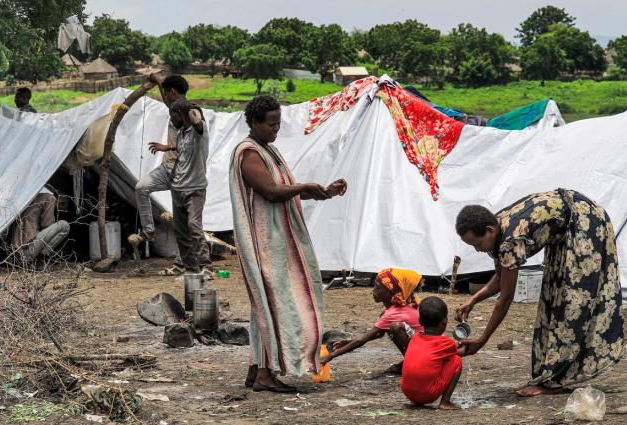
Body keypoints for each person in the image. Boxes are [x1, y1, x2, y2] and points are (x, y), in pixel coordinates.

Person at [454, 189, 624, 397]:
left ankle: (555, 380)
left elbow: (505, 298)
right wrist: (473, 300)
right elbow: (500, 278)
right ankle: (546, 375)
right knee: (552, 298)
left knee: (569, 303)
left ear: (489, 230)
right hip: (566, 230)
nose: (477, 250)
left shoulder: (510, 240)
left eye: (477, 244)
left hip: (585, 223)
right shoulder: (497, 227)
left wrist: (482, 340)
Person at [230, 95, 347, 393]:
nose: (276, 129)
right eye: (271, 124)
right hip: (264, 241)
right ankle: (265, 374)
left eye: (278, 124)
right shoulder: (249, 153)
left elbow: (285, 189)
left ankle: (257, 369)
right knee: (273, 303)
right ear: (254, 122)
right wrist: (304, 187)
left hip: (277, 239)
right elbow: (271, 191)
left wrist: (324, 192)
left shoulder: (269, 151)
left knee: (265, 304)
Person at [130, 74, 191, 276]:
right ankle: (149, 230)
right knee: (141, 187)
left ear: (172, 92)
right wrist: (158, 82)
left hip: (181, 172)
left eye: (166, 92)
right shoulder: (175, 107)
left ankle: (182, 262)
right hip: (166, 168)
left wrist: (168, 147)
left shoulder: (190, 113)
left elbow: (193, 144)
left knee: (181, 220)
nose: (165, 98)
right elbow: (167, 101)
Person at [147, 99, 212, 275]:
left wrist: (190, 109)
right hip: (178, 188)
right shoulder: (182, 133)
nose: (171, 120)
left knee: (194, 226)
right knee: (181, 232)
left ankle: (207, 267)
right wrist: (168, 147)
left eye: (173, 116)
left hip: (195, 189)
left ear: (181, 114)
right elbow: (183, 151)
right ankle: (191, 270)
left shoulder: (200, 131)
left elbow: (196, 120)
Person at [320, 268, 424, 375]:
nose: (373, 290)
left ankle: (412, 364)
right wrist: (348, 342)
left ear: (390, 292)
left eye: (377, 287)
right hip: (422, 350)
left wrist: (331, 356)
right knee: (392, 327)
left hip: (424, 353)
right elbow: (378, 333)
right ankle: (408, 362)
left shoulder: (393, 313)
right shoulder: (391, 311)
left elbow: (362, 340)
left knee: (395, 327)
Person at [401, 296, 464, 410]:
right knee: (456, 360)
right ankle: (445, 402)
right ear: (444, 322)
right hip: (427, 394)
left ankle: (416, 400)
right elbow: (462, 351)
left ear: (420, 321)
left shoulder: (415, 337)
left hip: (407, 391)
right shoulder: (446, 342)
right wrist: (465, 344)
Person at [10, 186, 70, 266]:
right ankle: (40, 260)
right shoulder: (49, 198)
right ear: (60, 201)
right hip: (25, 253)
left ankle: (37, 259)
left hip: (14, 254)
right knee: (64, 225)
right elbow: (47, 226)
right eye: (59, 207)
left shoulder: (30, 196)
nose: (56, 209)